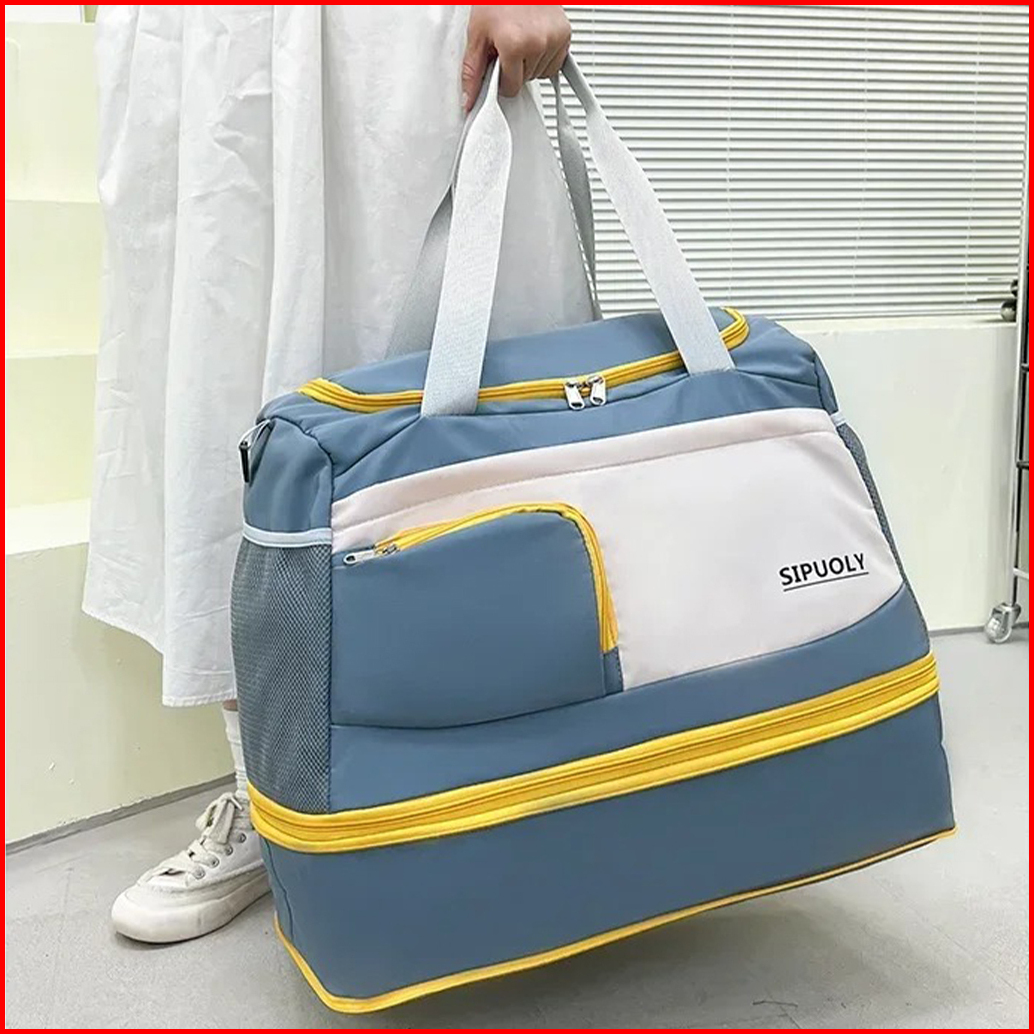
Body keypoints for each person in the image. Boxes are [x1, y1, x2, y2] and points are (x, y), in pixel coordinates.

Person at [86, 5, 594, 943]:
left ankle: (527, 777)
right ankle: (276, 800)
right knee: (220, 373)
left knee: (473, 368)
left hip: (393, 37)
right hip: (197, 42)